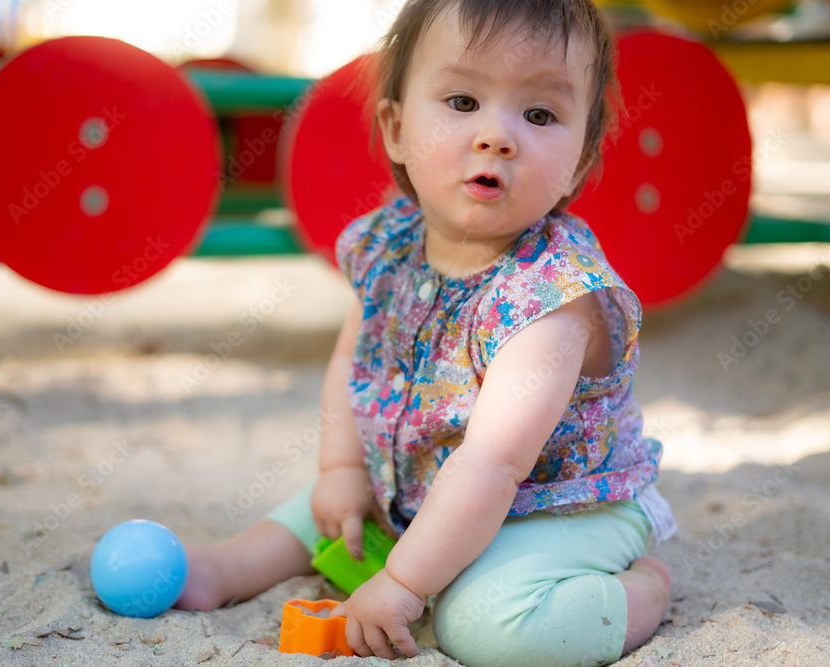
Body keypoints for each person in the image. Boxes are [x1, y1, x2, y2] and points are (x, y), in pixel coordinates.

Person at [175, 0, 675, 664]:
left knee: (484, 626)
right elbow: (355, 353)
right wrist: (343, 468)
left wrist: (405, 583)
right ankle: (223, 567)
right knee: (325, 513)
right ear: (396, 127)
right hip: (424, 484)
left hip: (557, 506)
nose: (498, 136)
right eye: (463, 99)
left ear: (580, 163)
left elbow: (494, 464)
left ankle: (645, 589)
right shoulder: (391, 242)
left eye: (539, 115)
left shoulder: (552, 296)